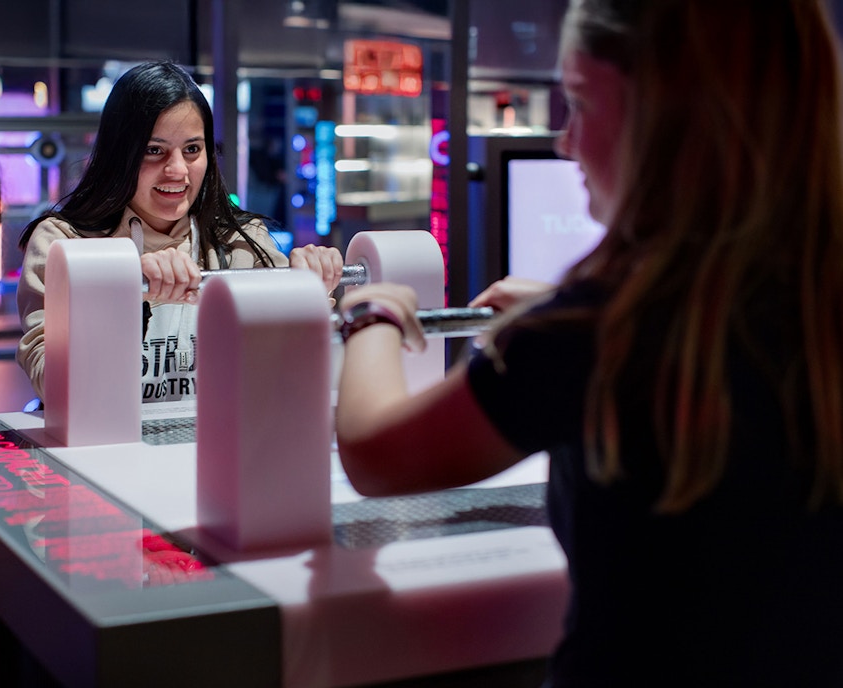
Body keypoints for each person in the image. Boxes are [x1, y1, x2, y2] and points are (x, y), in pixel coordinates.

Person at [334, 1, 843, 685]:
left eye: (579, 105)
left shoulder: (599, 333)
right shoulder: (809, 306)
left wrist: (371, 314)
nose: (566, 142)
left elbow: (377, 452)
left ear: (666, 115)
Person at [17, 60, 344, 405]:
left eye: (192, 150)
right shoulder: (63, 243)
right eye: (153, 150)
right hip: (100, 450)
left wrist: (311, 295)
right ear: (119, 154)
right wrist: (129, 290)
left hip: (214, 447)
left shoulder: (241, 241)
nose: (177, 170)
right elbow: (50, 381)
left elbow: (285, 373)